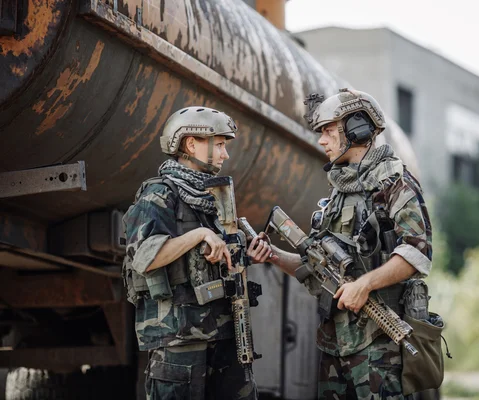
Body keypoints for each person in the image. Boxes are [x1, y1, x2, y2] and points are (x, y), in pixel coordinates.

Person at [267, 89, 433, 399]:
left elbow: (416, 252)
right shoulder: (338, 193)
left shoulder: (395, 183)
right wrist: (273, 255)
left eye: (328, 131)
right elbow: (313, 267)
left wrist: (364, 285)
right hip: (335, 344)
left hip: (380, 345)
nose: (321, 140)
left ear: (356, 129)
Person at [122, 106, 272, 400]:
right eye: (219, 145)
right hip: (180, 342)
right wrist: (198, 235)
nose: (225, 154)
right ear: (191, 144)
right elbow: (143, 257)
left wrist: (247, 252)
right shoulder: (159, 194)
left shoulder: (213, 198)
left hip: (226, 338)